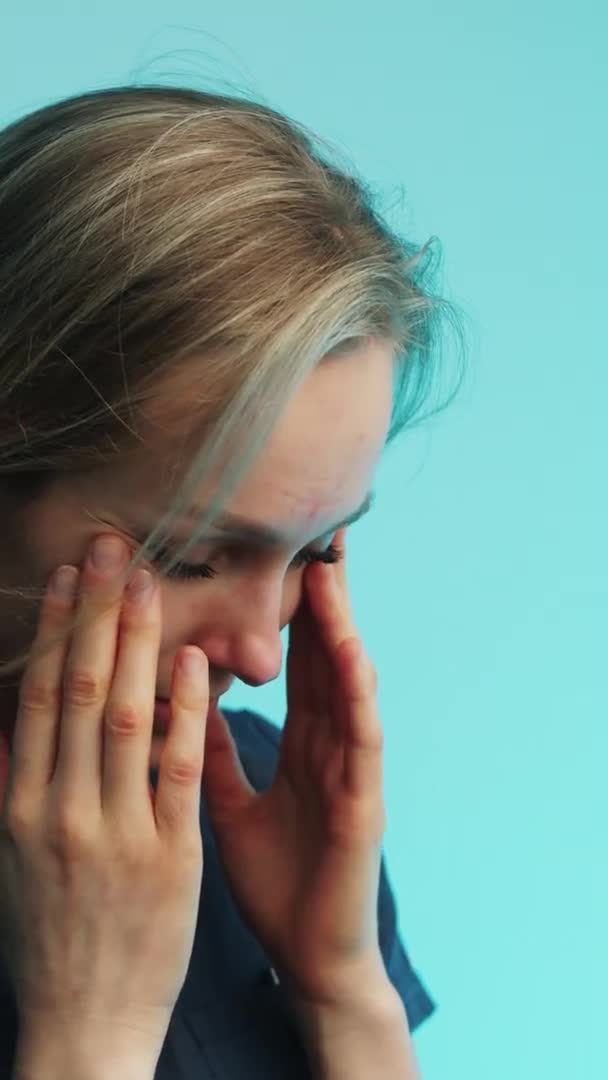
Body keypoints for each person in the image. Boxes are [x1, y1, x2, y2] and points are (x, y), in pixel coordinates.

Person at [0, 82, 464, 1078]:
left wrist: (342, 987)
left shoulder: (254, 803)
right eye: (188, 557)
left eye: (315, 552)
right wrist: (90, 1035)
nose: (259, 656)